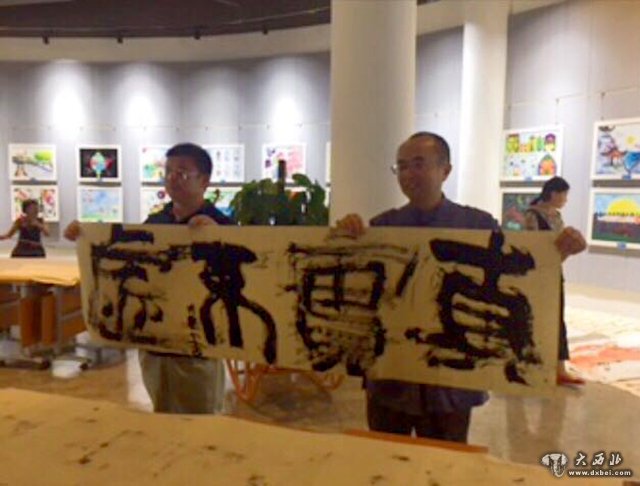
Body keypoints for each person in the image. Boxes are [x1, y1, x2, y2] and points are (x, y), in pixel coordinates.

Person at [336, 132, 586, 442]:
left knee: (447, 461)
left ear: (445, 170)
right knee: (386, 458)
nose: (408, 174)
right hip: (390, 379)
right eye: (401, 166)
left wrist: (560, 250)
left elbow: (518, 276)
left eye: (418, 164)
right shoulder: (382, 226)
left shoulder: (477, 225)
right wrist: (344, 237)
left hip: (452, 382)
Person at [65, 143, 234, 414]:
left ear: (204, 180)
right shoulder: (157, 221)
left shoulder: (221, 225)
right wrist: (83, 235)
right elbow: (125, 257)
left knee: (199, 420)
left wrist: (219, 239)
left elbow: (238, 278)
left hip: (198, 343)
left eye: (182, 172)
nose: (172, 178)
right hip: (154, 339)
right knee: (161, 413)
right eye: (168, 172)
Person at [524, 176, 586, 386]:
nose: (566, 200)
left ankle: (559, 367)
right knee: (530, 318)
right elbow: (530, 248)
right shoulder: (532, 216)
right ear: (553, 193)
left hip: (553, 273)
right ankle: (527, 364)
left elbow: (558, 250)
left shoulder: (556, 217)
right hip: (534, 275)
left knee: (557, 318)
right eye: (564, 195)